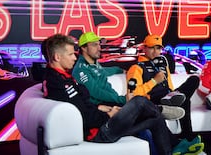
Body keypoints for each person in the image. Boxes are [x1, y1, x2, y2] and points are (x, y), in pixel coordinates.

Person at [41, 33, 173, 154]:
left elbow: (83, 104)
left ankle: (167, 138)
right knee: (138, 101)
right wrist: (107, 113)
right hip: (99, 131)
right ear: (57, 57)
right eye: (70, 54)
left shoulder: (64, 77)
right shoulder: (58, 82)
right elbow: (83, 114)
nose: (75, 57)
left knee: (155, 119)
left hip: (101, 121)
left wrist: (102, 108)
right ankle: (157, 108)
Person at [72, 31, 185, 121]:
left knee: (150, 120)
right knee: (139, 102)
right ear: (83, 48)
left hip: (113, 100)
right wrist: (121, 99)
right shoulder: (81, 70)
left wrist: (120, 70)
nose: (99, 48)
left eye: (99, 44)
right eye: (94, 45)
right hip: (103, 105)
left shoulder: (93, 65)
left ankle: (160, 112)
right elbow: (96, 92)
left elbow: (104, 71)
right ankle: (158, 109)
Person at [126, 34, 202, 143]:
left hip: (168, 95)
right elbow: (133, 94)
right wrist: (154, 81)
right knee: (185, 100)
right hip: (153, 100)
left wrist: (172, 93)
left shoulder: (163, 66)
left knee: (194, 80)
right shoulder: (136, 68)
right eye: (151, 47)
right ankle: (188, 138)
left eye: (158, 48)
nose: (155, 51)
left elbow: (169, 85)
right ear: (144, 48)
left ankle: (172, 100)